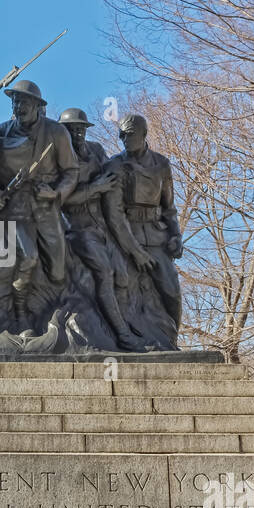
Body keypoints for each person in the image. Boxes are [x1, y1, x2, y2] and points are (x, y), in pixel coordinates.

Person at [0, 80, 78, 324]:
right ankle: (20, 312)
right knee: (29, 256)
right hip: (14, 208)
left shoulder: (57, 133)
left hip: (45, 205)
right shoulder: (1, 132)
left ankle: (51, 310)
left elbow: (71, 171)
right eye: (15, 101)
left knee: (58, 271)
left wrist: (56, 193)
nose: (19, 106)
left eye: (25, 101)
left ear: (38, 105)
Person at [57, 107, 145, 351]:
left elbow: (112, 173)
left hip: (103, 226)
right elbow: (59, 199)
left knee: (124, 276)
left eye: (80, 128)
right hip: (78, 229)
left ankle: (127, 327)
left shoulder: (96, 151)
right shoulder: (58, 159)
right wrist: (95, 189)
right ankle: (123, 336)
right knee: (105, 274)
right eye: (70, 129)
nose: (77, 134)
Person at [102, 113, 183, 338]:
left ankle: (171, 344)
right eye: (121, 135)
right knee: (123, 292)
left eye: (129, 135)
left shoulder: (162, 164)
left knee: (171, 291)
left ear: (144, 134)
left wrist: (176, 235)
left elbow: (169, 207)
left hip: (158, 238)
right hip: (126, 239)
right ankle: (131, 341)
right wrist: (135, 252)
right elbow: (114, 215)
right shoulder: (115, 165)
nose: (124, 139)